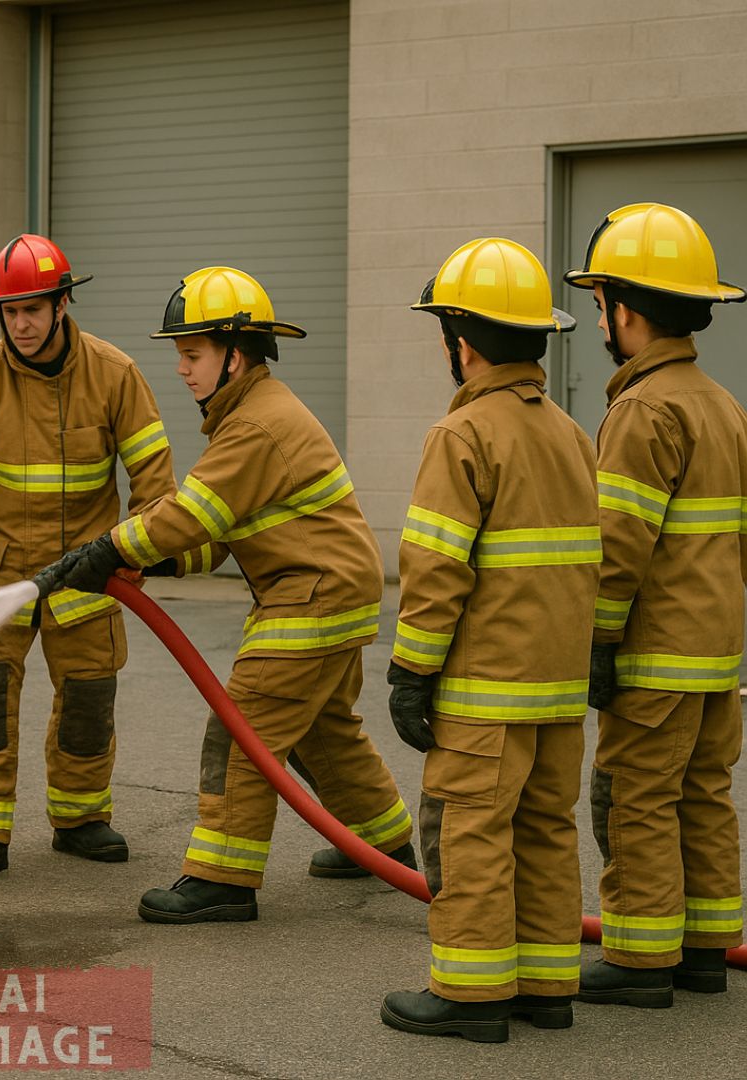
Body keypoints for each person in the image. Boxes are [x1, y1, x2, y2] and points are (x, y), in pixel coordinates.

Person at [40, 265, 415, 923]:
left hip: (311, 595)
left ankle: (222, 877)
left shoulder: (254, 426)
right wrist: (148, 564)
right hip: (332, 589)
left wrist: (109, 550)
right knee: (321, 731)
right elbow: (215, 534)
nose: (182, 370)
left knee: (242, 731)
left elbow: (190, 515)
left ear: (235, 356)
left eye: (193, 355)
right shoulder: (252, 414)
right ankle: (382, 844)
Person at [379, 239, 599, 1043]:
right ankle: (545, 988)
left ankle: (470, 996)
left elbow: (435, 570)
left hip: (483, 696)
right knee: (545, 830)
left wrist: (411, 671)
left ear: (461, 342)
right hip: (555, 693)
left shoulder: (463, 434)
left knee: (469, 830)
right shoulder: (575, 436)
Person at [0, 233, 176, 879]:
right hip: (0, 573)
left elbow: (153, 476)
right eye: (10, 312)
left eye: (33, 308)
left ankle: (82, 819)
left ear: (62, 303)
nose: (22, 324)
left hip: (87, 574)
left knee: (90, 702)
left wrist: (133, 552)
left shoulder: (115, 374)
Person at [563, 203, 746, 1006]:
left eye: (601, 302)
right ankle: (706, 950)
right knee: (704, 796)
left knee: (635, 795)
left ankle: (639, 961)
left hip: (657, 656)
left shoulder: (642, 410)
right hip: (718, 653)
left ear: (625, 310)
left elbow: (617, 552)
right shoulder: (721, 402)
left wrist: (596, 646)